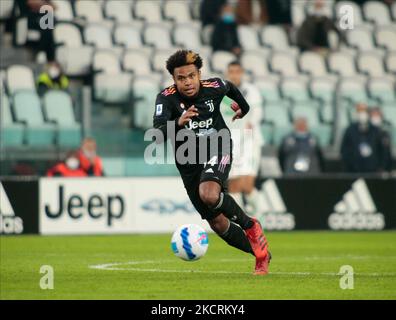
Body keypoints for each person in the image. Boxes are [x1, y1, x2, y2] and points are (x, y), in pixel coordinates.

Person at [152, 50, 271, 275]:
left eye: (191, 76)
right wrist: (177, 122)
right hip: (188, 162)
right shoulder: (166, 98)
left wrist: (242, 109)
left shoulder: (214, 86)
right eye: (181, 78)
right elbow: (156, 134)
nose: (187, 82)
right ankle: (261, 254)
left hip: (219, 146)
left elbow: (231, 88)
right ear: (174, 80)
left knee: (209, 194)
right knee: (218, 224)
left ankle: (250, 225)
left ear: (199, 74)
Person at [220, 61, 264, 214]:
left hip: (250, 141)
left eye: (237, 71)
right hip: (231, 143)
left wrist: (251, 122)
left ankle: (259, 214)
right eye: (231, 71)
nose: (234, 74)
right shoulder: (221, 93)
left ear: (242, 73)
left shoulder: (250, 91)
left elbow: (257, 112)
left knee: (247, 184)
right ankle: (242, 220)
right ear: (227, 73)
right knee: (233, 185)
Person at [341, 103, 385, 173]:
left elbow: (382, 151)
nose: (362, 114)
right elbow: (345, 150)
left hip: (373, 171)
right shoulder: (350, 130)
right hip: (354, 171)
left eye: (364, 111)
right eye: (359, 111)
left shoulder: (375, 131)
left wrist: (379, 167)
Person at [369, 107, 393, 172]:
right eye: (374, 115)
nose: (376, 118)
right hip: (369, 170)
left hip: (383, 171)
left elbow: (387, 153)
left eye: (377, 115)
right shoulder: (366, 134)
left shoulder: (384, 134)